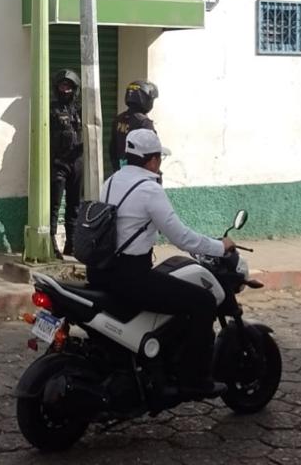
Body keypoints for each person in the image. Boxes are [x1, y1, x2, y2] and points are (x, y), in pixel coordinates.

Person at [89, 128, 235, 400]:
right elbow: (181, 237)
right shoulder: (149, 190)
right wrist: (219, 246)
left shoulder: (110, 181)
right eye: (159, 160)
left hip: (101, 273)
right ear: (153, 160)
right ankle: (196, 380)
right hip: (131, 278)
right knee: (202, 302)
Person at [49, 69, 83, 260]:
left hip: (76, 162)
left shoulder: (80, 110)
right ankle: (52, 243)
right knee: (54, 205)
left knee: (75, 206)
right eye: (62, 86)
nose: (65, 90)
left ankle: (72, 243)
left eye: (69, 86)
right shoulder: (51, 109)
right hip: (58, 163)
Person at [110, 80, 158, 173]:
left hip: (121, 172)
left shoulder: (118, 119)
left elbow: (112, 150)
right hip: (140, 174)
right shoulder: (144, 123)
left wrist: (117, 170)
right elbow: (153, 154)